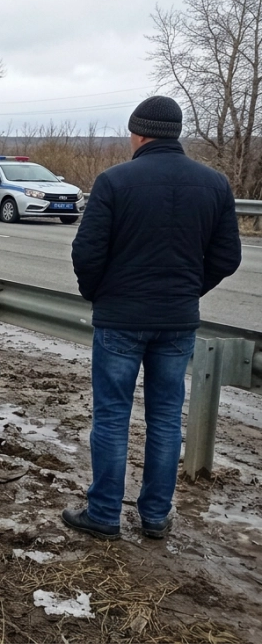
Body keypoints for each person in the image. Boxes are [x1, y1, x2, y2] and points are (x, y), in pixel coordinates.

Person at [66, 96, 242, 540]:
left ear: (139, 133)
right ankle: (155, 517)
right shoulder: (215, 184)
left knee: (111, 417)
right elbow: (227, 257)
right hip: (178, 320)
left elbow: (87, 253)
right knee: (165, 418)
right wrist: (187, 290)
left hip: (120, 319)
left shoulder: (113, 182)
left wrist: (99, 295)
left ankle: (104, 515)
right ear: (175, 133)